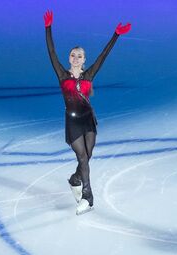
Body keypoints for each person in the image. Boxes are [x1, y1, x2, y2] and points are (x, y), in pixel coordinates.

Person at [43, 10, 131, 215]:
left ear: (84, 60)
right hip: (72, 122)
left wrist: (116, 34)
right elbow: (51, 52)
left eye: (79, 56)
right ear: (69, 58)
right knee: (82, 157)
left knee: (87, 156)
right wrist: (48, 28)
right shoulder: (62, 75)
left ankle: (75, 179)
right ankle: (87, 197)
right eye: (73, 55)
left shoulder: (89, 74)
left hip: (88, 120)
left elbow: (103, 56)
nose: (75, 58)